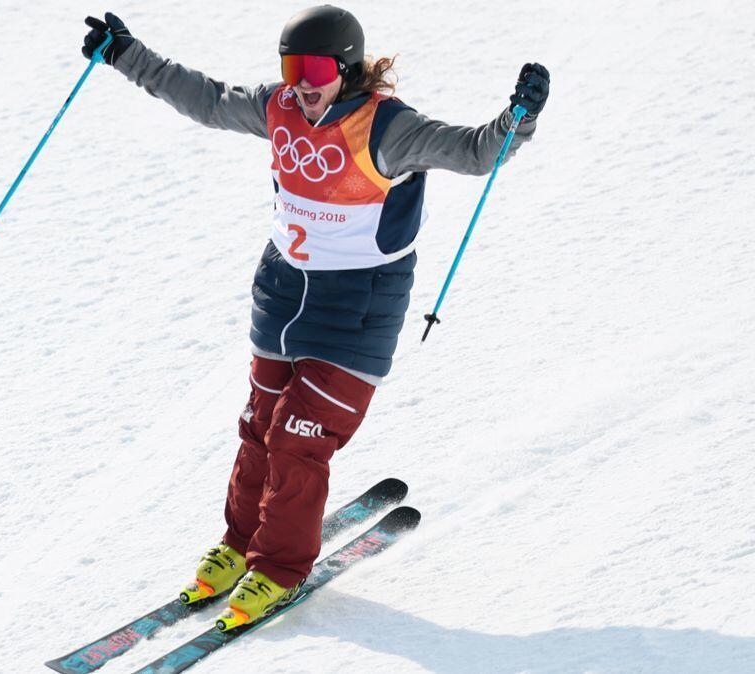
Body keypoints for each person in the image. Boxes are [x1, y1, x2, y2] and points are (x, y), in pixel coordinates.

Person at [82, 5, 549, 630]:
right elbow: (207, 99)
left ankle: (278, 567)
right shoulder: (277, 107)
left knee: (298, 438)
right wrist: (125, 53)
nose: (303, 81)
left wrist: (516, 122)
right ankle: (240, 538)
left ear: (347, 67)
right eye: (292, 66)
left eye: (318, 67)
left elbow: (472, 153)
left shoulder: (387, 127)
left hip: (358, 306)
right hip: (280, 292)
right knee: (258, 425)